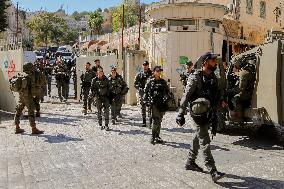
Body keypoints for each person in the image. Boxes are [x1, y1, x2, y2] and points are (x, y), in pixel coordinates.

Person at [176, 52, 225, 182]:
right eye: (213, 60)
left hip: (209, 112)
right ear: (205, 62)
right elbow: (186, 96)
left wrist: (222, 101)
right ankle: (212, 170)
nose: (215, 62)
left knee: (198, 137)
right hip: (198, 113)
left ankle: (190, 162)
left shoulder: (213, 77)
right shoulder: (195, 77)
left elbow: (216, 94)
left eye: (215, 60)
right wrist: (181, 113)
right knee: (205, 140)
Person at [13, 63, 44, 135]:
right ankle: (34, 128)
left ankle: (17, 127)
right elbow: (32, 89)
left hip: (21, 96)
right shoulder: (29, 77)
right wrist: (34, 95)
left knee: (18, 110)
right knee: (31, 111)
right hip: (28, 96)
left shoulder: (20, 75)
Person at [144, 66, 170, 145]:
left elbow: (168, 92)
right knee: (156, 120)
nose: (159, 72)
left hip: (162, 104)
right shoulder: (150, 82)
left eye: (160, 71)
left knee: (159, 121)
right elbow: (146, 92)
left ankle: (157, 136)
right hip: (154, 104)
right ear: (154, 72)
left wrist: (167, 98)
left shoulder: (163, 82)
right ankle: (153, 136)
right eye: (157, 71)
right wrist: (146, 101)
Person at [134, 61, 152, 126]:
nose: (145, 66)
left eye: (146, 65)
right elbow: (135, 84)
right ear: (142, 66)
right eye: (144, 65)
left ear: (148, 65)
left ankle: (150, 121)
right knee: (143, 106)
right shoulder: (139, 74)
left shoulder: (152, 74)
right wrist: (139, 88)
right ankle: (144, 121)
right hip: (142, 92)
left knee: (150, 106)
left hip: (149, 92)